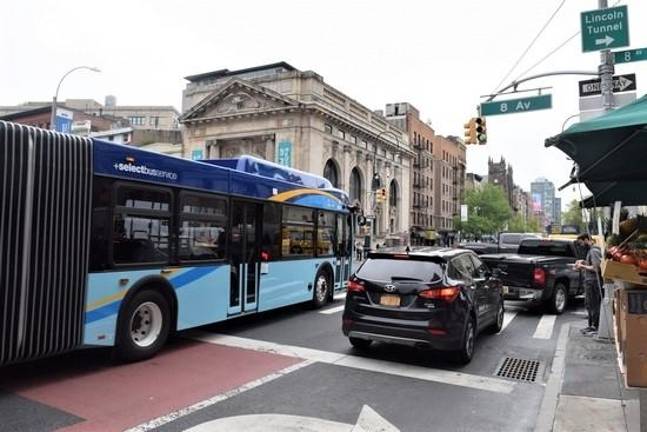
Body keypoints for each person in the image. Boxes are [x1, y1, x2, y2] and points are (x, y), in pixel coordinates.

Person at [575, 233, 602, 334]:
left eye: (581, 243)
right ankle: (591, 325)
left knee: (593, 304)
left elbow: (596, 268)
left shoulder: (594, 251)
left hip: (593, 282)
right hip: (590, 281)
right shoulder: (591, 251)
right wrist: (583, 262)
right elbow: (592, 264)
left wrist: (582, 266)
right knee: (590, 304)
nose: (581, 245)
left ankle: (594, 326)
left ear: (586, 240)